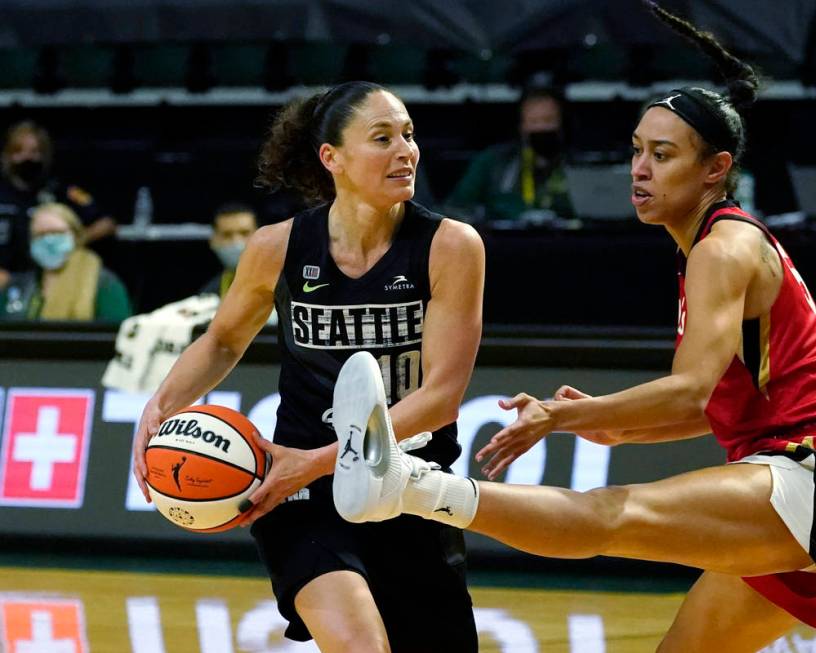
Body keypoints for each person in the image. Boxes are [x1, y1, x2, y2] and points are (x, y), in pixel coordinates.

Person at [331, 5, 816, 653]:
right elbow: (717, 404)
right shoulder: (707, 249)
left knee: (611, 515)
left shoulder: (723, 248)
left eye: (663, 155)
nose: (640, 169)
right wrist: (620, 426)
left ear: (714, 168)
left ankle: (404, 483)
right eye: (636, 151)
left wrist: (567, 417)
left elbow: (688, 392)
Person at [131, 81, 484, 653]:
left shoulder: (451, 246)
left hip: (410, 486)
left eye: (409, 135)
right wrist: (160, 405)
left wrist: (318, 463)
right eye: (383, 138)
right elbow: (222, 340)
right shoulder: (277, 247)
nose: (406, 151)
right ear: (332, 158)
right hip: (301, 497)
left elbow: (442, 397)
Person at [0, 121, 117, 287]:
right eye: (19, 151)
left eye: (34, 151)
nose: (27, 158)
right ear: (7, 155)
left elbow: (106, 223)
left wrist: (73, 242)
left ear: (44, 154)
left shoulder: (59, 191)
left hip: (52, 278)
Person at [446, 83, 575, 222]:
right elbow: (455, 208)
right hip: (503, 241)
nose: (541, 128)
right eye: (534, 121)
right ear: (522, 126)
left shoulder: (577, 165)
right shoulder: (492, 161)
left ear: (562, 124)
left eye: (548, 120)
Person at [0, 202, 131, 322]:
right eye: (40, 234)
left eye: (57, 232)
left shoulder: (103, 283)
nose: (48, 240)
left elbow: (118, 335)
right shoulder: (18, 286)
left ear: (75, 236)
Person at [199, 202, 259, 299]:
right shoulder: (208, 294)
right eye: (227, 235)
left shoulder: (284, 286)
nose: (237, 243)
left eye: (245, 233)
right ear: (213, 241)